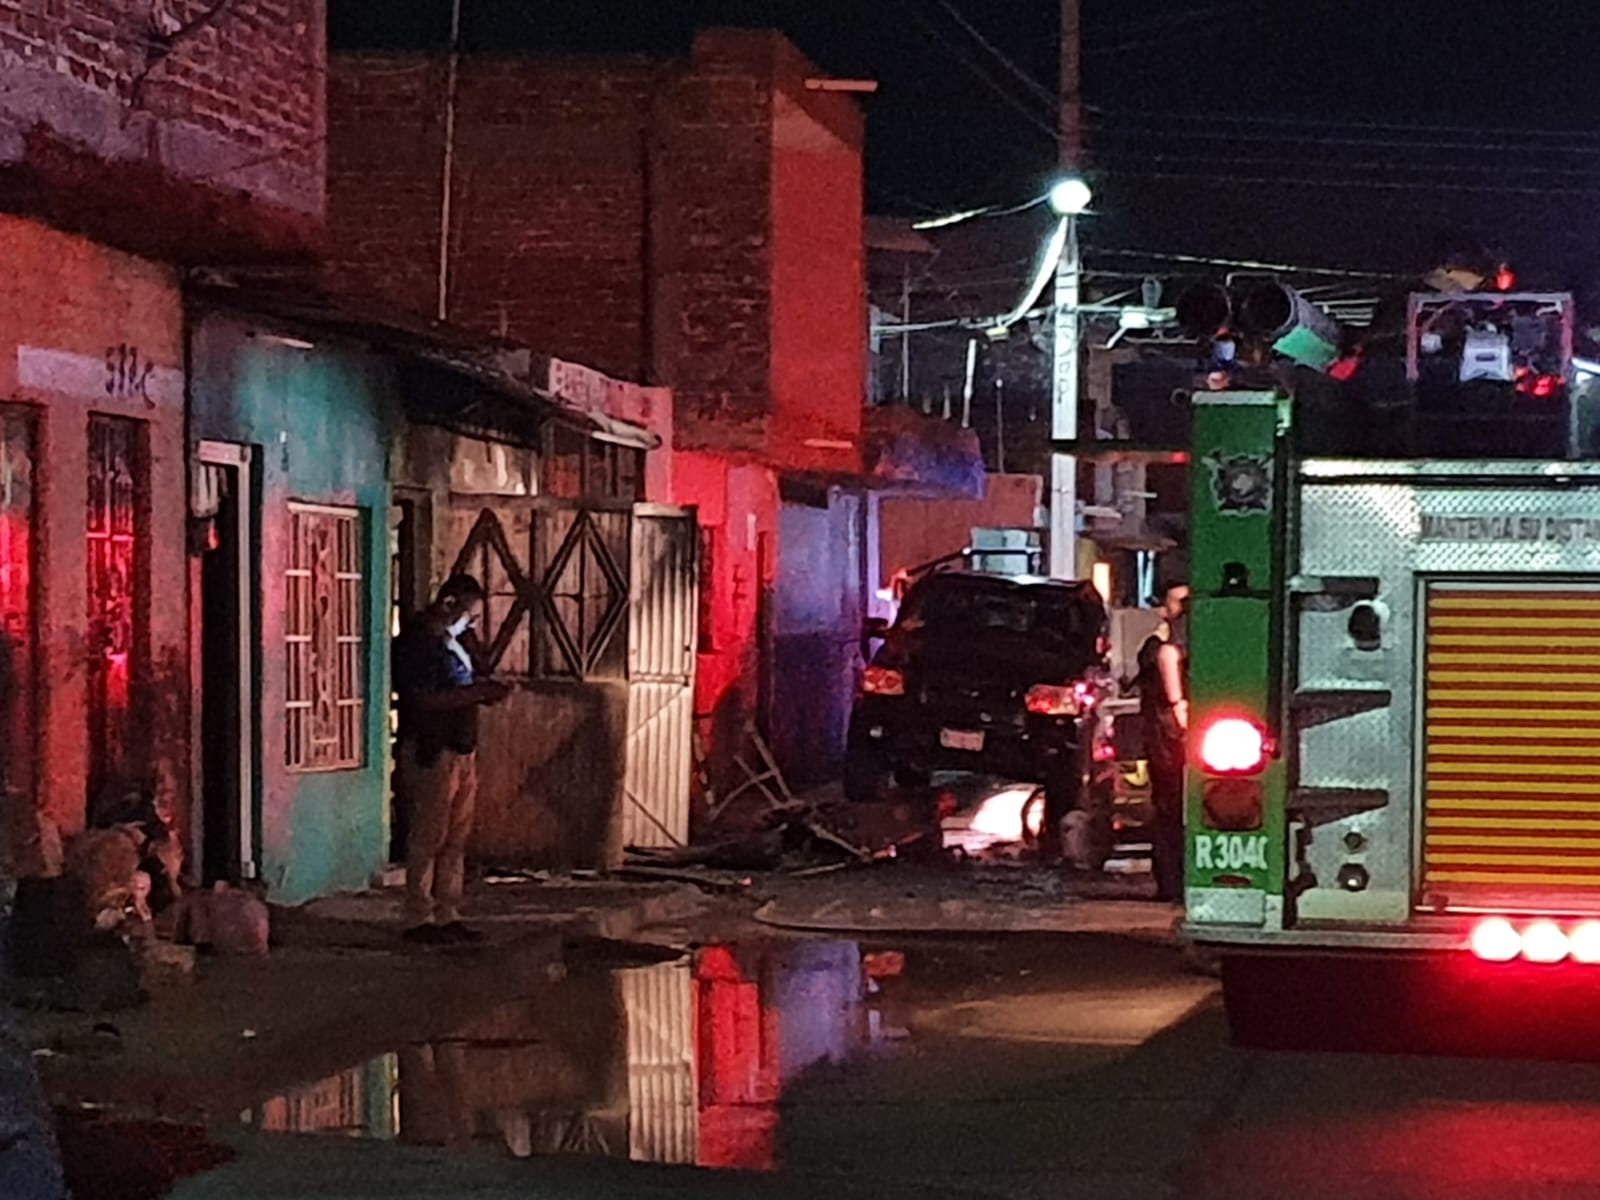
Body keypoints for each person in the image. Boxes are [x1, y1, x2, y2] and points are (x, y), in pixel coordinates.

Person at [393, 574, 509, 944]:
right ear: (448, 604)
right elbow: (425, 700)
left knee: (455, 837)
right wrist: (477, 694)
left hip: (460, 748)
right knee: (429, 834)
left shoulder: (451, 643)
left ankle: (447, 912)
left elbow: (470, 675)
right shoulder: (417, 644)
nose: (470, 624)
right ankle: (418, 915)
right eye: (468, 616)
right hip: (432, 748)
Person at [1138, 582, 1190, 904]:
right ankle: (1171, 883)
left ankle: (1173, 882)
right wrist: (1179, 706)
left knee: (1171, 810)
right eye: (1181, 602)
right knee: (1170, 809)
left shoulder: (1160, 647)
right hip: (1168, 741)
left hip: (1170, 739)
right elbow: (1168, 657)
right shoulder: (1161, 648)